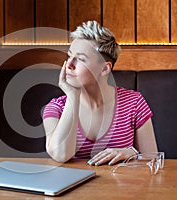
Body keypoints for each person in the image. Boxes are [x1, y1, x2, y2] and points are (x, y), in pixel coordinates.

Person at [42, 21, 158, 165]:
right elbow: (61, 155)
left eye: (81, 59)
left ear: (104, 69)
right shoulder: (56, 107)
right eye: (69, 56)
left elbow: (153, 158)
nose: (69, 64)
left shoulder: (134, 103)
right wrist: (73, 96)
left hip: (122, 186)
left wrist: (132, 153)